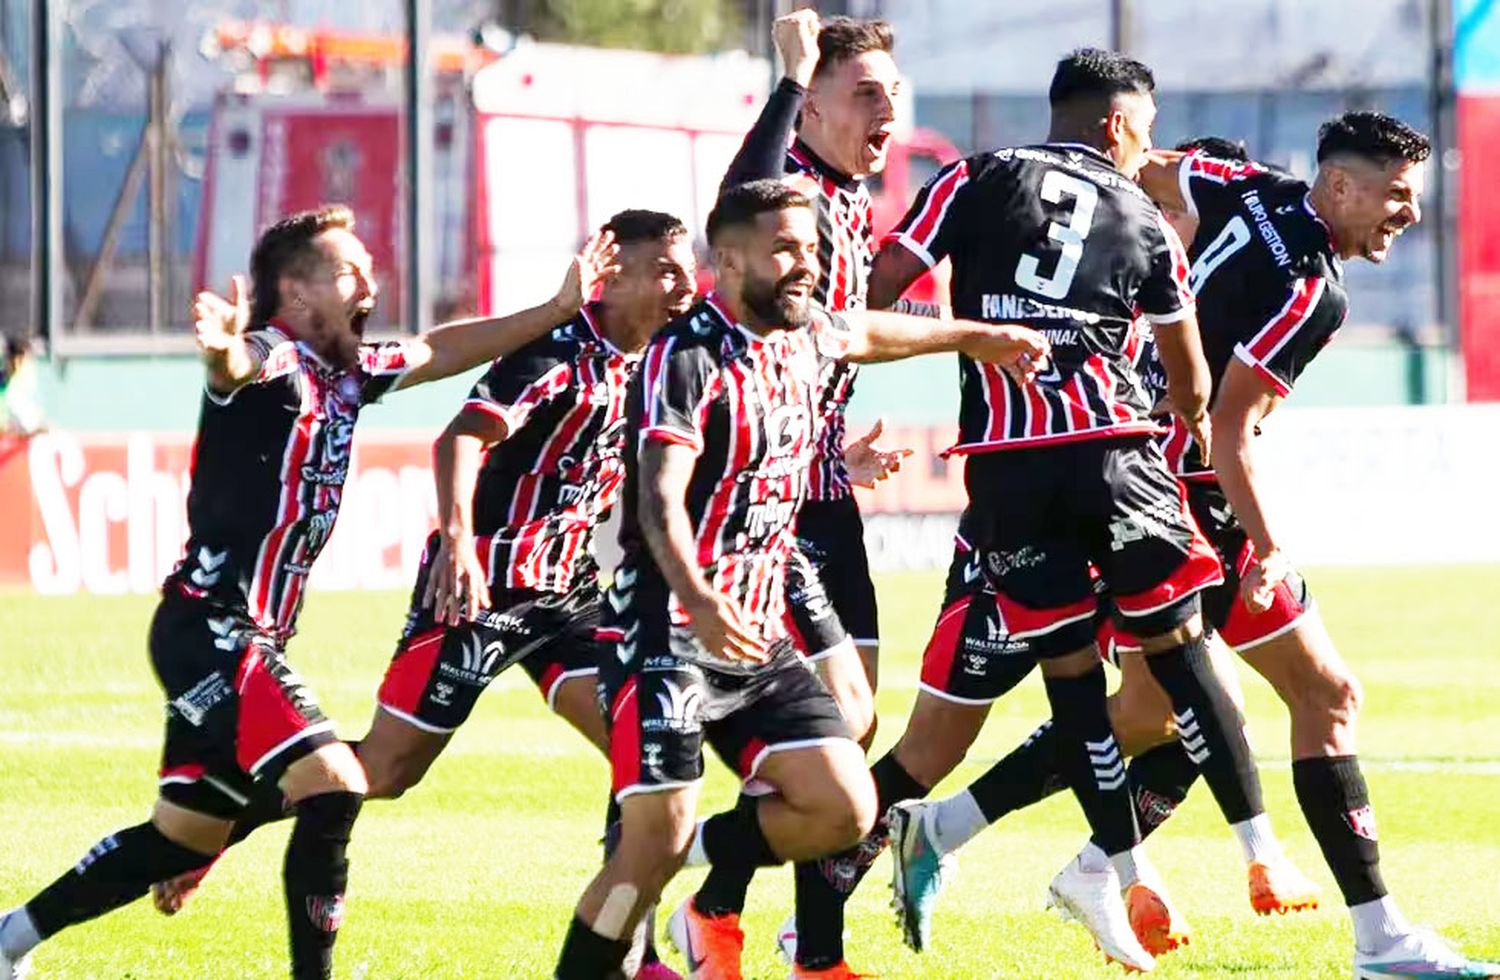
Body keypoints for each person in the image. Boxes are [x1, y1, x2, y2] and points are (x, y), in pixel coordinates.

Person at [0, 205, 618, 980]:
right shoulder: (278, 358)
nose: (369, 279)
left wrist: (555, 310)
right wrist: (224, 350)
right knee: (338, 786)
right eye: (347, 270)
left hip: (230, 636)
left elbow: (439, 349)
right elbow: (237, 366)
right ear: (294, 292)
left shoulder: (350, 373)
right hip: (217, 629)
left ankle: (10, 938)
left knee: (183, 837)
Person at [143, 210, 694, 978]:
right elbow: (461, 434)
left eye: (688, 266)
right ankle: (220, 830)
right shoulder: (558, 354)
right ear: (616, 276)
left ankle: (628, 954)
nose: (685, 284)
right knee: (383, 773)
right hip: (480, 594)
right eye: (665, 269)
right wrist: (462, 541)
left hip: (568, 596)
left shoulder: (664, 357)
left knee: (639, 752)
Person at [551, 178, 1049, 980]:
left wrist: (976, 336)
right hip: (664, 636)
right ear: (730, 258)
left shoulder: (804, 332)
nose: (805, 265)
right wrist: (701, 599)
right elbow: (656, 501)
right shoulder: (686, 359)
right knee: (649, 846)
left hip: (753, 640)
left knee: (845, 808)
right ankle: (623, 915)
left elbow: (869, 331)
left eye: (811, 249)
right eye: (785, 249)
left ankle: (675, 859)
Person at [864, 49, 1283, 972]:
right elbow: (1191, 386)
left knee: (1169, 693)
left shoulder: (989, 180)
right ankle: (799, 886)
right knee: (940, 739)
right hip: (1064, 487)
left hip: (1041, 480)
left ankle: (1104, 867)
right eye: (1145, 137)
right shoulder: (1138, 220)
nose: (1152, 164)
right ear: (1114, 125)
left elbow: (875, 289)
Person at [1126, 110, 1498, 979]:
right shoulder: (1312, 290)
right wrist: (1272, 547)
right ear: (1339, 185)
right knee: (1161, 718)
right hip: (1176, 502)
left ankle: (1379, 936)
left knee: (1315, 694)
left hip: (1154, 478)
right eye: (1396, 195)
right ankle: (951, 824)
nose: (1407, 214)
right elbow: (1229, 432)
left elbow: (1143, 170)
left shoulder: (1242, 187)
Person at [682, 13, 915, 974]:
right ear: (811, 105)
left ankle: (775, 931)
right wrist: (784, 74)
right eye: (865, 93)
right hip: (753, 516)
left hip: (821, 491)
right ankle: (716, 893)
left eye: (893, 94)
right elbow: (740, 192)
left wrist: (830, 444)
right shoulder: (789, 199)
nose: (887, 111)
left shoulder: (853, 207)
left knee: (853, 720)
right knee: (836, 719)